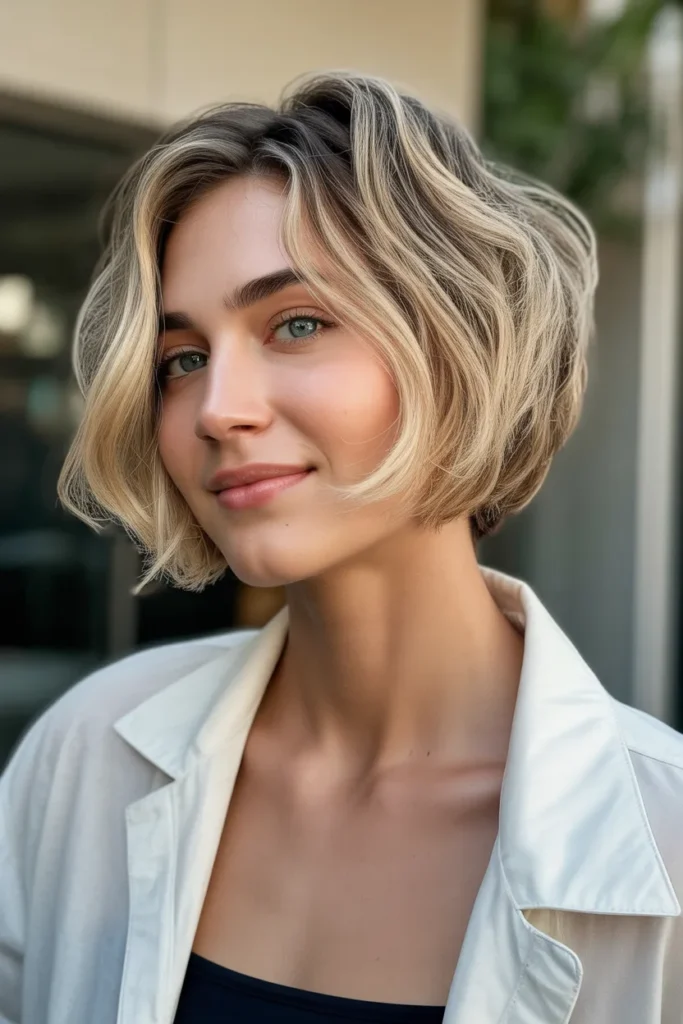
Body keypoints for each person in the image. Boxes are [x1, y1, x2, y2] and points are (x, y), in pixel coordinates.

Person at [1, 70, 682, 1024]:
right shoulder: (85, 756)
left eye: (297, 323)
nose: (218, 410)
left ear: (460, 348)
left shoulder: (664, 837)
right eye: (183, 359)